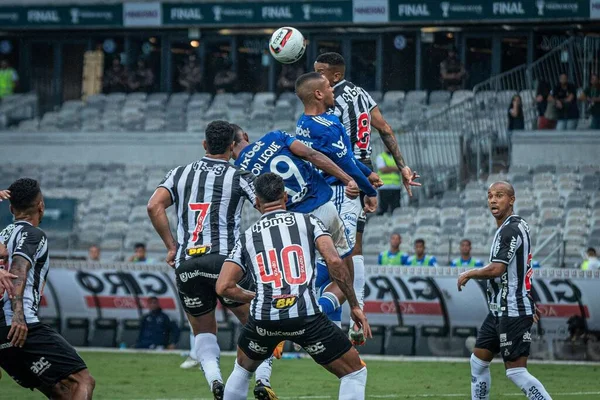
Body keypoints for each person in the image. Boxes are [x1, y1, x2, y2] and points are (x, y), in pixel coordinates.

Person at [147, 120, 275, 399]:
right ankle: (262, 380)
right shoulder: (239, 174)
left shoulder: (179, 173)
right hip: (224, 262)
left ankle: (215, 380)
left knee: (203, 330)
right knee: (259, 320)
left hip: (187, 265)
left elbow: (153, 205)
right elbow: (267, 207)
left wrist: (171, 246)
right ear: (232, 146)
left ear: (204, 145)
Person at [216, 173, 370, 400]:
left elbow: (223, 287)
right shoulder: (309, 222)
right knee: (354, 372)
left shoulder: (248, 236)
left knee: (242, 369)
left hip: (264, 319)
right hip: (305, 317)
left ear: (257, 202)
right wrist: (355, 305)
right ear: (285, 197)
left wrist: (256, 296)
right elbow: (335, 262)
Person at [314, 53, 420, 343]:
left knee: (330, 248)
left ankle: (330, 316)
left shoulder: (330, 100)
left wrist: (356, 179)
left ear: (335, 76)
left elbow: (336, 149)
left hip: (342, 175)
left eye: (321, 73)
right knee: (352, 248)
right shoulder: (362, 94)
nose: (317, 78)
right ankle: (352, 316)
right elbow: (384, 128)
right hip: (362, 173)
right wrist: (402, 167)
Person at [295, 71, 382, 342]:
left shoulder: (304, 123)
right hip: (339, 195)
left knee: (326, 263)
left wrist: (367, 176)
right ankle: (313, 314)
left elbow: (346, 159)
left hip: (315, 197)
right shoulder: (329, 125)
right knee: (342, 263)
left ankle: (331, 333)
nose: (333, 91)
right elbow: (345, 166)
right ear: (319, 94)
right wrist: (369, 191)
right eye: (329, 88)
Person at [0, 178, 95, 399]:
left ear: (12, 208)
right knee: (83, 380)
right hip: (20, 325)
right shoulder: (33, 234)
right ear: (41, 205)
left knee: (60, 391)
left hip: (1, 331)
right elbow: (18, 270)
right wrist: (18, 316)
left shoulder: (2, 236)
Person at [457, 181, 551, 400]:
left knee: (516, 371)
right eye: (490, 196)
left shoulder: (509, 229)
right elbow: (522, 270)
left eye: (499, 195)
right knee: (478, 361)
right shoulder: (515, 226)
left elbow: (498, 269)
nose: (493, 200)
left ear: (512, 200)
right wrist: (530, 299)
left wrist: (469, 273)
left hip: (513, 309)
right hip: (500, 308)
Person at [375, 149, 402, 215]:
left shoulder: (397, 157)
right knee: (384, 208)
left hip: (396, 186)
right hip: (384, 187)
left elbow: (402, 167)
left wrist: (388, 167)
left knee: (396, 209)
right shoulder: (381, 157)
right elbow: (382, 169)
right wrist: (396, 168)